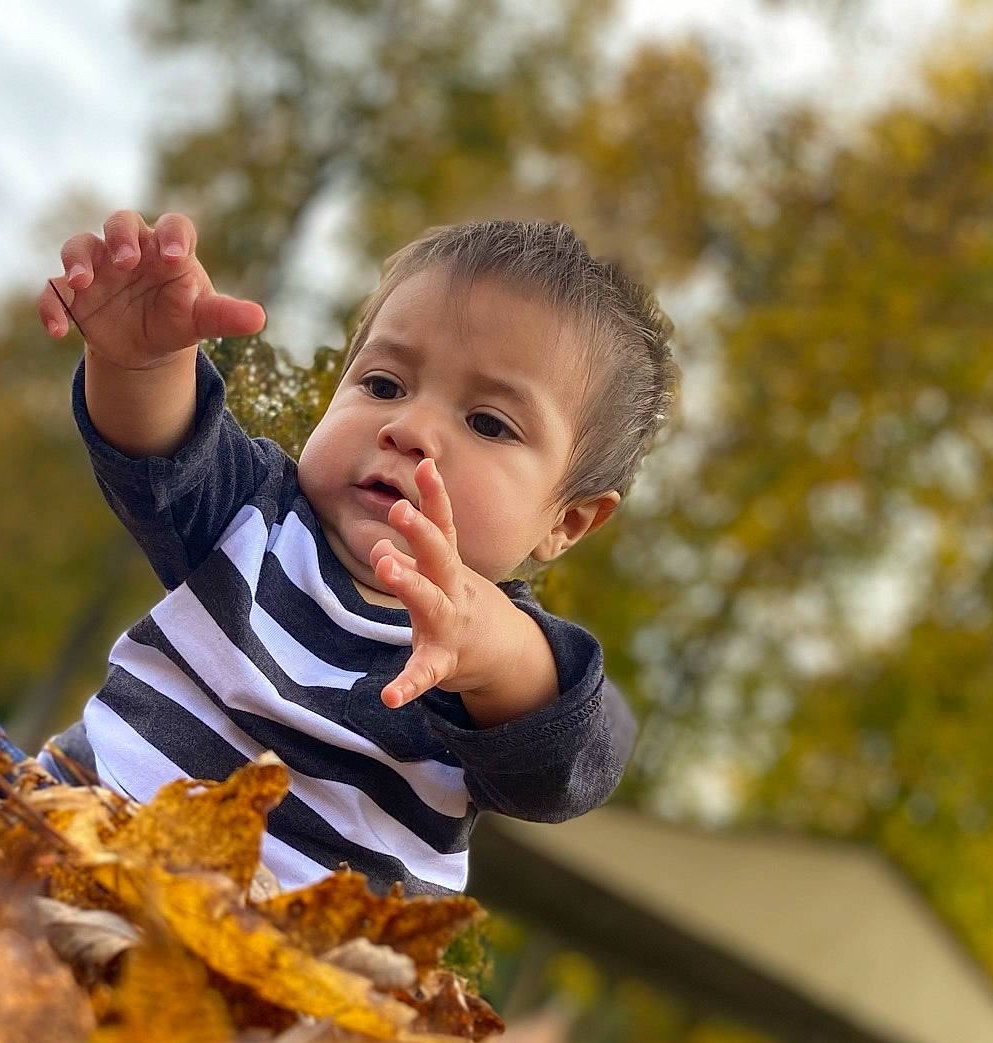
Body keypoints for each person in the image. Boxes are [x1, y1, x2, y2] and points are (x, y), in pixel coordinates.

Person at [33, 210, 674, 895]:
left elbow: (578, 753)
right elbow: (163, 456)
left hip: (265, 973)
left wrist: (494, 653)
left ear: (569, 522)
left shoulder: (490, 682)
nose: (410, 428)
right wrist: (141, 361)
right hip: (66, 846)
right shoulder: (253, 515)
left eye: (488, 423)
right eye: (383, 384)